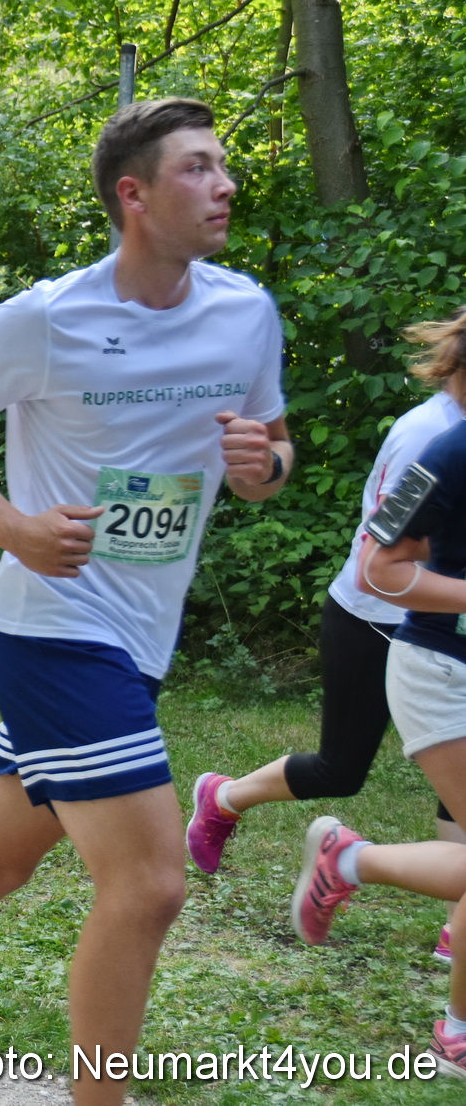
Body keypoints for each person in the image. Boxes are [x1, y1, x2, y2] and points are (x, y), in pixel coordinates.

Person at [0, 98, 292, 1106]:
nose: (225, 185)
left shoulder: (245, 312)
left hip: (138, 636)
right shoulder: (46, 317)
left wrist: (266, 467)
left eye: (221, 165)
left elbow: (269, 456)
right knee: (149, 886)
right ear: (134, 194)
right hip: (51, 627)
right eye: (198, 168)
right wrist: (13, 527)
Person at [187, 321, 464, 954]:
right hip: (376, 617)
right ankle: (223, 798)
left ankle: (457, 926)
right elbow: (381, 550)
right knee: (341, 768)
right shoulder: (429, 434)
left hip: (444, 627)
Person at [294, 307, 466, 1077]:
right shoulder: (439, 451)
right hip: (440, 670)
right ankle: (457, 1034)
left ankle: (350, 859)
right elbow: (378, 568)